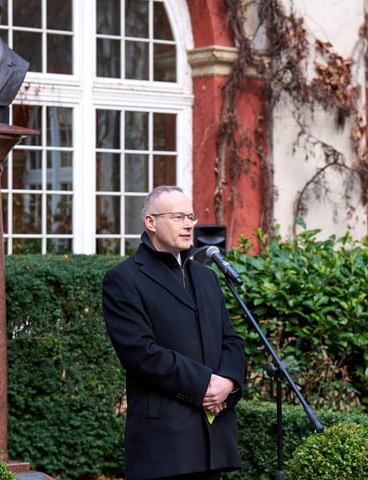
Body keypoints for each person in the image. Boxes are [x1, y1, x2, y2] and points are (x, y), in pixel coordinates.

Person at [102, 185, 246, 480]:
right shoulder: (124, 279)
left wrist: (229, 382)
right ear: (151, 222)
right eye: (178, 216)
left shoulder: (206, 277)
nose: (189, 224)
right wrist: (206, 384)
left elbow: (230, 340)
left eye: (191, 216)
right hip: (164, 444)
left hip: (213, 440)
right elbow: (141, 353)